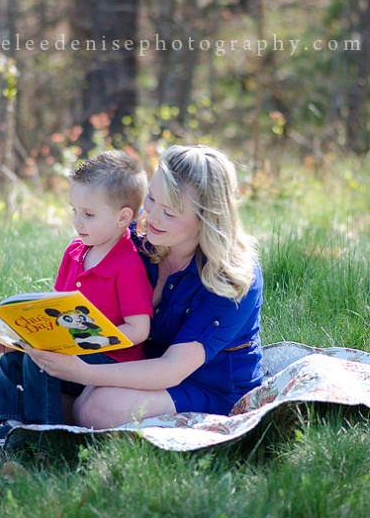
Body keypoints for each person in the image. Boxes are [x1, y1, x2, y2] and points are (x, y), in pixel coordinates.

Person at [24, 144, 263, 430]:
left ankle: (56, 419)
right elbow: (89, 310)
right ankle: (47, 417)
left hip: (204, 383)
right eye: (151, 198)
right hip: (131, 361)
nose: (152, 217)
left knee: (96, 409)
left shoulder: (231, 279)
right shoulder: (139, 236)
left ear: (207, 219)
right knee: (8, 397)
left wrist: (83, 373)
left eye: (170, 213)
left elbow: (171, 369)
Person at [0, 150, 154, 440]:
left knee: (41, 363)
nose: (78, 221)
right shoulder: (74, 253)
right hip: (69, 351)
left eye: (89, 214)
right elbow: (56, 311)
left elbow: (139, 329)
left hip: (111, 362)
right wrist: (14, 337)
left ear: (124, 217)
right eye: (75, 210)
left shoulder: (128, 264)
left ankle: (47, 437)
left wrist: (84, 343)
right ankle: (6, 428)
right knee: (12, 362)